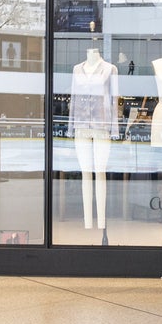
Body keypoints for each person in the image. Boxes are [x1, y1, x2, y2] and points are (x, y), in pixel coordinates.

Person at [69, 48, 119, 231]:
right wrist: (70, 126)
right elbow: (73, 99)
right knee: (85, 173)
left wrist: (115, 129)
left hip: (102, 126)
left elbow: (114, 99)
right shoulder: (76, 69)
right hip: (81, 126)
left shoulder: (110, 69)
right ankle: (88, 221)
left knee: (100, 171)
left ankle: (102, 221)